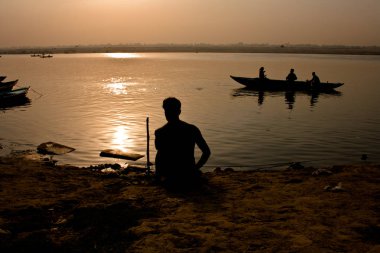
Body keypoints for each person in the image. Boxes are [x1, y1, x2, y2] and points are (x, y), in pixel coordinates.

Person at [155, 97, 211, 187]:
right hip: (188, 173)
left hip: (170, 176)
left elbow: (160, 157)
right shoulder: (192, 129)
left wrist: (158, 175)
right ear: (179, 112)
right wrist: (196, 168)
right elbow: (206, 152)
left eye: (167, 111)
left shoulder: (160, 132)